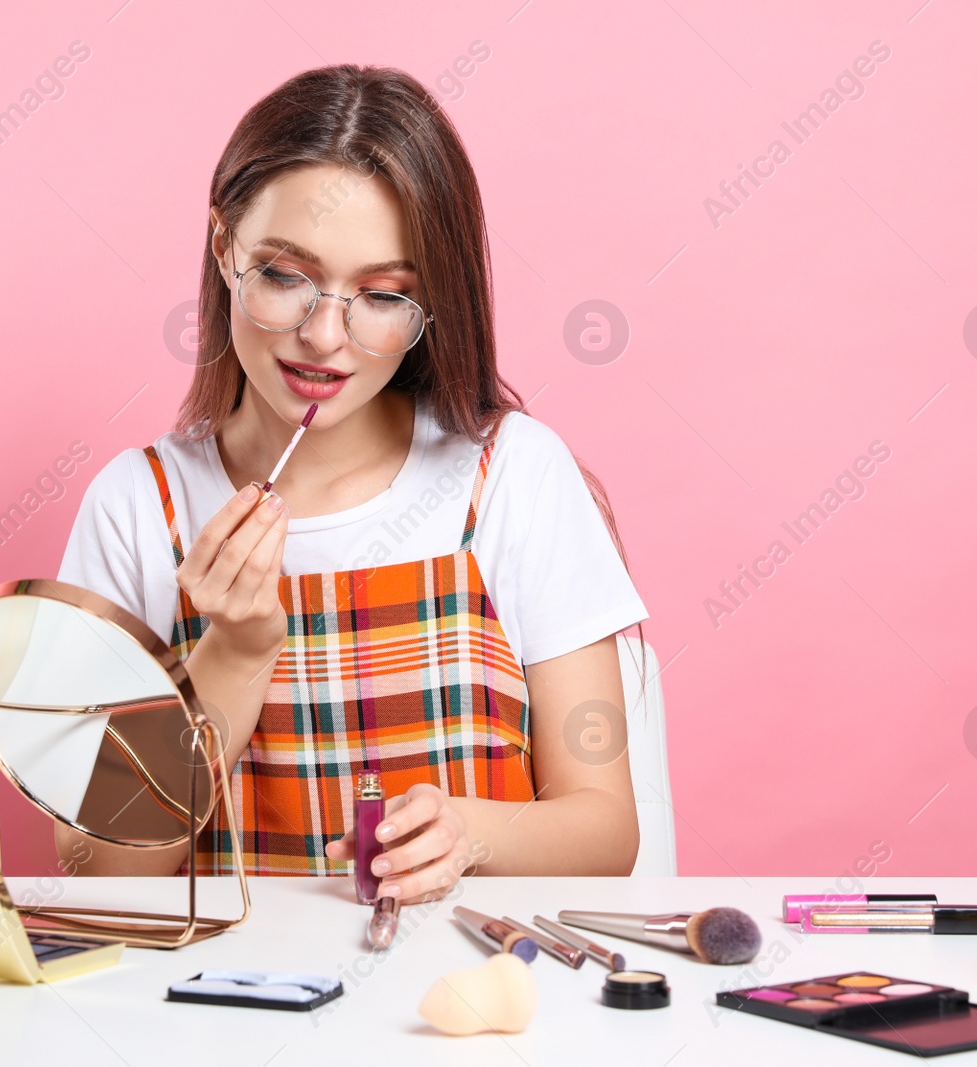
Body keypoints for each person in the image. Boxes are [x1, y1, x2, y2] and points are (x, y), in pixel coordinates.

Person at [57, 64, 647, 904]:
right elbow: (93, 867)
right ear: (225, 247)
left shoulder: (513, 475)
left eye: (381, 294)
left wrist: (468, 832)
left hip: (468, 1008)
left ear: (433, 299)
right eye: (285, 275)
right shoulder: (137, 507)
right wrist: (234, 652)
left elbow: (605, 828)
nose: (324, 336)